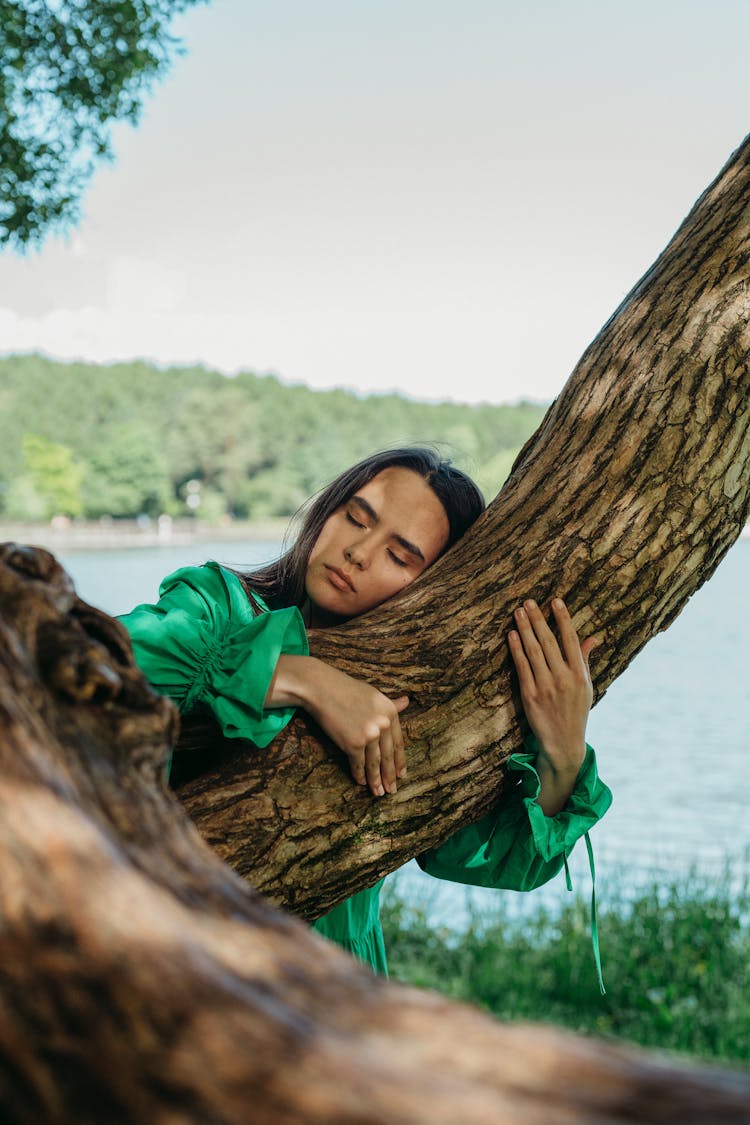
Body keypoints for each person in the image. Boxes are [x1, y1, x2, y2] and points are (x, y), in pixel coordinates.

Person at [120, 447, 611, 977]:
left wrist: (562, 755)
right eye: (355, 517)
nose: (357, 552)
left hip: (333, 986)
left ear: (439, 589)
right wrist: (305, 680)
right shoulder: (218, 606)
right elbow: (107, 661)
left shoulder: (423, 700)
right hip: (166, 956)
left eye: (400, 556)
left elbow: (477, 855)